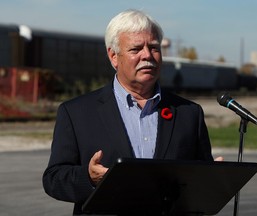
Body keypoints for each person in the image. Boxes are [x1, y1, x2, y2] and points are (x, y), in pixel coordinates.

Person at [42, 9, 222, 215]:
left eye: (154, 47)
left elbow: (199, 186)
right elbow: (54, 179)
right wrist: (89, 177)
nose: (147, 55)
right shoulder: (76, 113)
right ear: (113, 56)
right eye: (136, 49)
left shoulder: (189, 113)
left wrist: (211, 178)